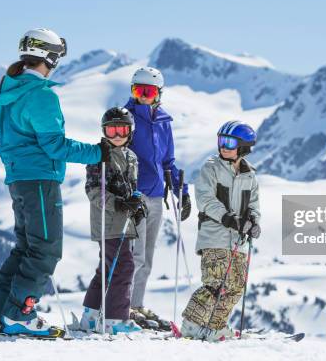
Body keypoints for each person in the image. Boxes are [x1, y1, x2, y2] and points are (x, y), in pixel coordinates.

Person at [0, 28, 110, 338]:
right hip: (39, 180)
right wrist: (99, 152)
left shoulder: (9, 92)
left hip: (19, 179)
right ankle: (19, 314)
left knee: (25, 248)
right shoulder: (41, 95)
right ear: (51, 56)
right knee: (45, 249)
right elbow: (56, 146)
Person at [180, 121, 261, 341]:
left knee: (235, 288)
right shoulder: (211, 167)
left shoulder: (250, 176)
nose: (223, 147)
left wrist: (253, 222)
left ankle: (214, 327)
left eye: (229, 143)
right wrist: (228, 218)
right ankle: (191, 324)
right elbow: (205, 199)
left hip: (238, 241)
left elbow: (254, 205)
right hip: (214, 236)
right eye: (221, 141)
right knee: (216, 284)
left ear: (243, 147)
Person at [124, 67, 191, 329]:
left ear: (158, 94)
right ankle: (124, 306)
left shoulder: (164, 121)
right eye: (137, 90)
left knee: (147, 257)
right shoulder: (126, 118)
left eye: (148, 91)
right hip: (134, 196)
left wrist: (181, 192)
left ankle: (137, 304)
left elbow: (168, 161)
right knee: (135, 256)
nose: (142, 96)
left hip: (155, 195)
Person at [79, 107, 146, 334]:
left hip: (124, 222)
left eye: (122, 129)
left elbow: (132, 189)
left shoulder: (131, 157)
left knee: (107, 269)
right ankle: (115, 320)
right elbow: (93, 189)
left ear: (130, 131)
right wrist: (117, 203)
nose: (117, 135)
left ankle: (91, 316)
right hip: (107, 222)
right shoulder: (99, 155)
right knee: (124, 268)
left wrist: (136, 206)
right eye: (111, 130)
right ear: (104, 131)